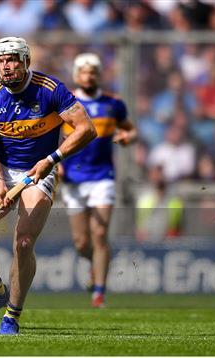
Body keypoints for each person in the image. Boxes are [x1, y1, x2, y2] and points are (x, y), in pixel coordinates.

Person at [0, 37, 96, 335]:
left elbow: (87, 129)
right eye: (0, 61)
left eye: (12, 60)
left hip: (39, 170)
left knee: (23, 242)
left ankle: (12, 316)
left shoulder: (51, 90)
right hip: (2, 171)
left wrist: (52, 159)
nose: (6, 66)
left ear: (25, 61)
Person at [58, 53, 137, 308]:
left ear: (99, 75)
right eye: (84, 72)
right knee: (82, 242)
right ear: (76, 75)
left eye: (93, 72)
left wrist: (127, 137)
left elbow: (130, 129)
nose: (88, 76)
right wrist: (56, 164)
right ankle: (93, 264)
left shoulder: (113, 103)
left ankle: (99, 292)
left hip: (103, 176)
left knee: (100, 233)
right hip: (73, 178)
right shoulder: (66, 102)